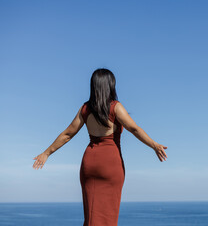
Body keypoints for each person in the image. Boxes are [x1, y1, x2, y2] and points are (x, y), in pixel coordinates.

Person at [32, 68, 168, 226]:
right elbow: (134, 129)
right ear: (110, 85)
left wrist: (46, 153)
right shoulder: (115, 107)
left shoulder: (85, 109)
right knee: (108, 216)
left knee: (91, 215)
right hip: (111, 165)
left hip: (90, 164)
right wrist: (154, 145)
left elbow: (67, 134)